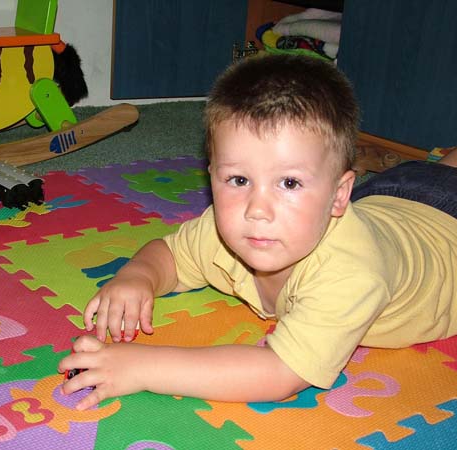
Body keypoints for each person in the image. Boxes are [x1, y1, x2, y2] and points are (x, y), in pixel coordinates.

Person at [59, 54, 457, 411]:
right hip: (389, 199)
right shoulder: (224, 231)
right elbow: (170, 253)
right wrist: (138, 276)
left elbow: (280, 374)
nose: (257, 210)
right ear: (211, 175)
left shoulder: (352, 272)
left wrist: (141, 367)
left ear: (338, 196)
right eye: (238, 179)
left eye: (289, 183)